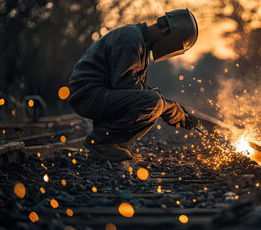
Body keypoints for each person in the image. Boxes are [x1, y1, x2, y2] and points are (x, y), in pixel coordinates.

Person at [68, 9, 199, 161]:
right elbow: (125, 86)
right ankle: (101, 142)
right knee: (154, 103)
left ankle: (117, 145)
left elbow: (133, 88)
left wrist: (172, 106)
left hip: (97, 94)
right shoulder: (130, 40)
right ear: (166, 31)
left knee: (156, 101)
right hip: (88, 96)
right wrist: (167, 106)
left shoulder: (139, 40)